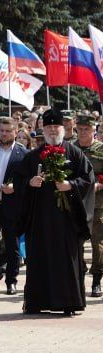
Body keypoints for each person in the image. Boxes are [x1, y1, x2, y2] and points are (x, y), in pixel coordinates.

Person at [18, 109, 93, 315]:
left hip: (67, 220)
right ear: (43, 129)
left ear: (63, 128)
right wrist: (29, 182)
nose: (52, 130)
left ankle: (69, 302)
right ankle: (37, 302)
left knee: (67, 260)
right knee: (39, 259)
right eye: (49, 127)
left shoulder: (74, 153)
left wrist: (70, 185)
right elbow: (17, 181)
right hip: (40, 220)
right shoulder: (33, 157)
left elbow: (88, 179)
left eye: (56, 127)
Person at [0, 117, 27, 295]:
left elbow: (28, 181)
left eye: (8, 131)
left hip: (12, 205)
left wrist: (15, 187)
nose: (4, 134)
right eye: (1, 130)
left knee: (12, 244)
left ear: (15, 132)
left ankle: (12, 280)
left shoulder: (23, 153)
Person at [71, 114, 103, 296]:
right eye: (80, 129)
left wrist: (99, 184)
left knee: (98, 243)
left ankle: (97, 278)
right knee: (76, 242)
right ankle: (79, 274)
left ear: (93, 130)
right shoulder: (70, 148)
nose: (83, 132)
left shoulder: (101, 149)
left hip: (98, 204)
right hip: (76, 203)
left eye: (87, 129)